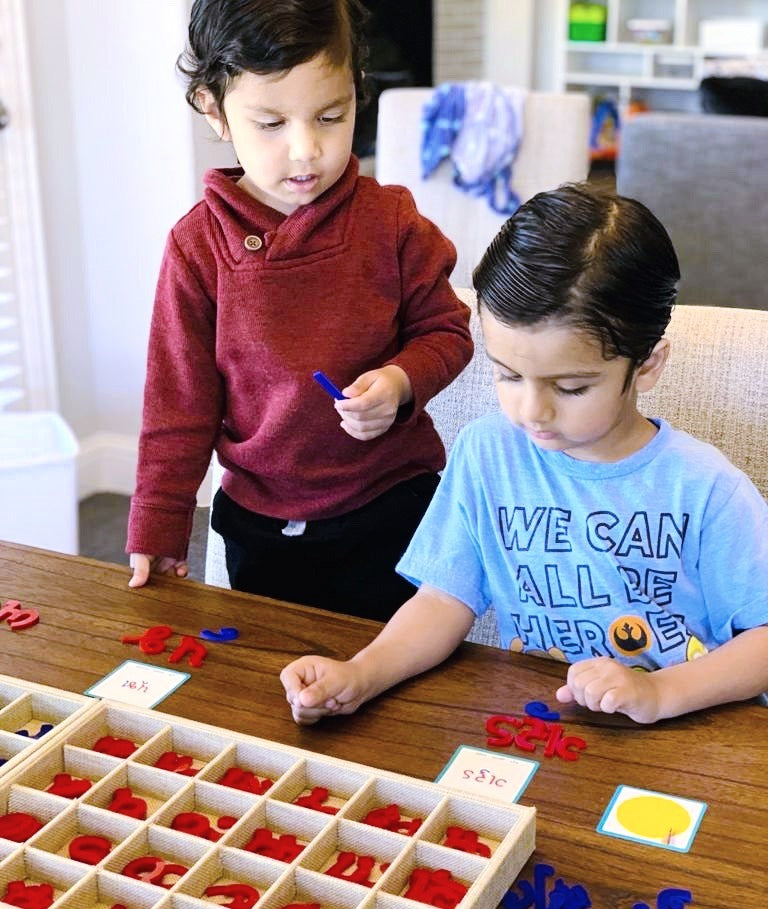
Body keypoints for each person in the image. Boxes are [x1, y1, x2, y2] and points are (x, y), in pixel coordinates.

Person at [281, 183, 768, 725]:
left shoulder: (705, 488)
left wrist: (659, 693)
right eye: (508, 375)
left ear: (647, 366)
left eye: (571, 388)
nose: (532, 410)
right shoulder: (487, 452)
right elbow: (445, 602)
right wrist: (362, 672)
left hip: (679, 734)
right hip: (542, 728)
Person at [125, 0, 473, 622]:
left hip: (393, 507)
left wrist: (399, 382)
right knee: (268, 689)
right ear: (215, 110)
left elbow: (446, 328)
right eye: (271, 123)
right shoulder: (197, 247)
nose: (307, 150)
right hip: (262, 525)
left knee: (394, 688)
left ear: (356, 97)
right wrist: (158, 525)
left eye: (330, 117)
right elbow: (178, 404)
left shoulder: (391, 221)